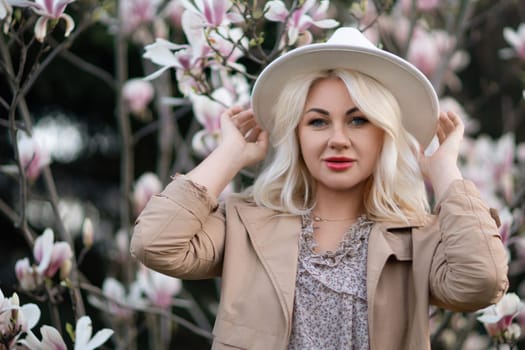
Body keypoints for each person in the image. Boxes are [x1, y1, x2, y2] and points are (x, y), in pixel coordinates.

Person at [130, 27, 508, 350]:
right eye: (318, 122)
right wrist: (229, 154)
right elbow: (156, 244)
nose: (338, 140)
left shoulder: (418, 240)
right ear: (296, 134)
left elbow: (483, 281)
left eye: (358, 120)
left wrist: (444, 172)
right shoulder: (246, 225)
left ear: (384, 134)